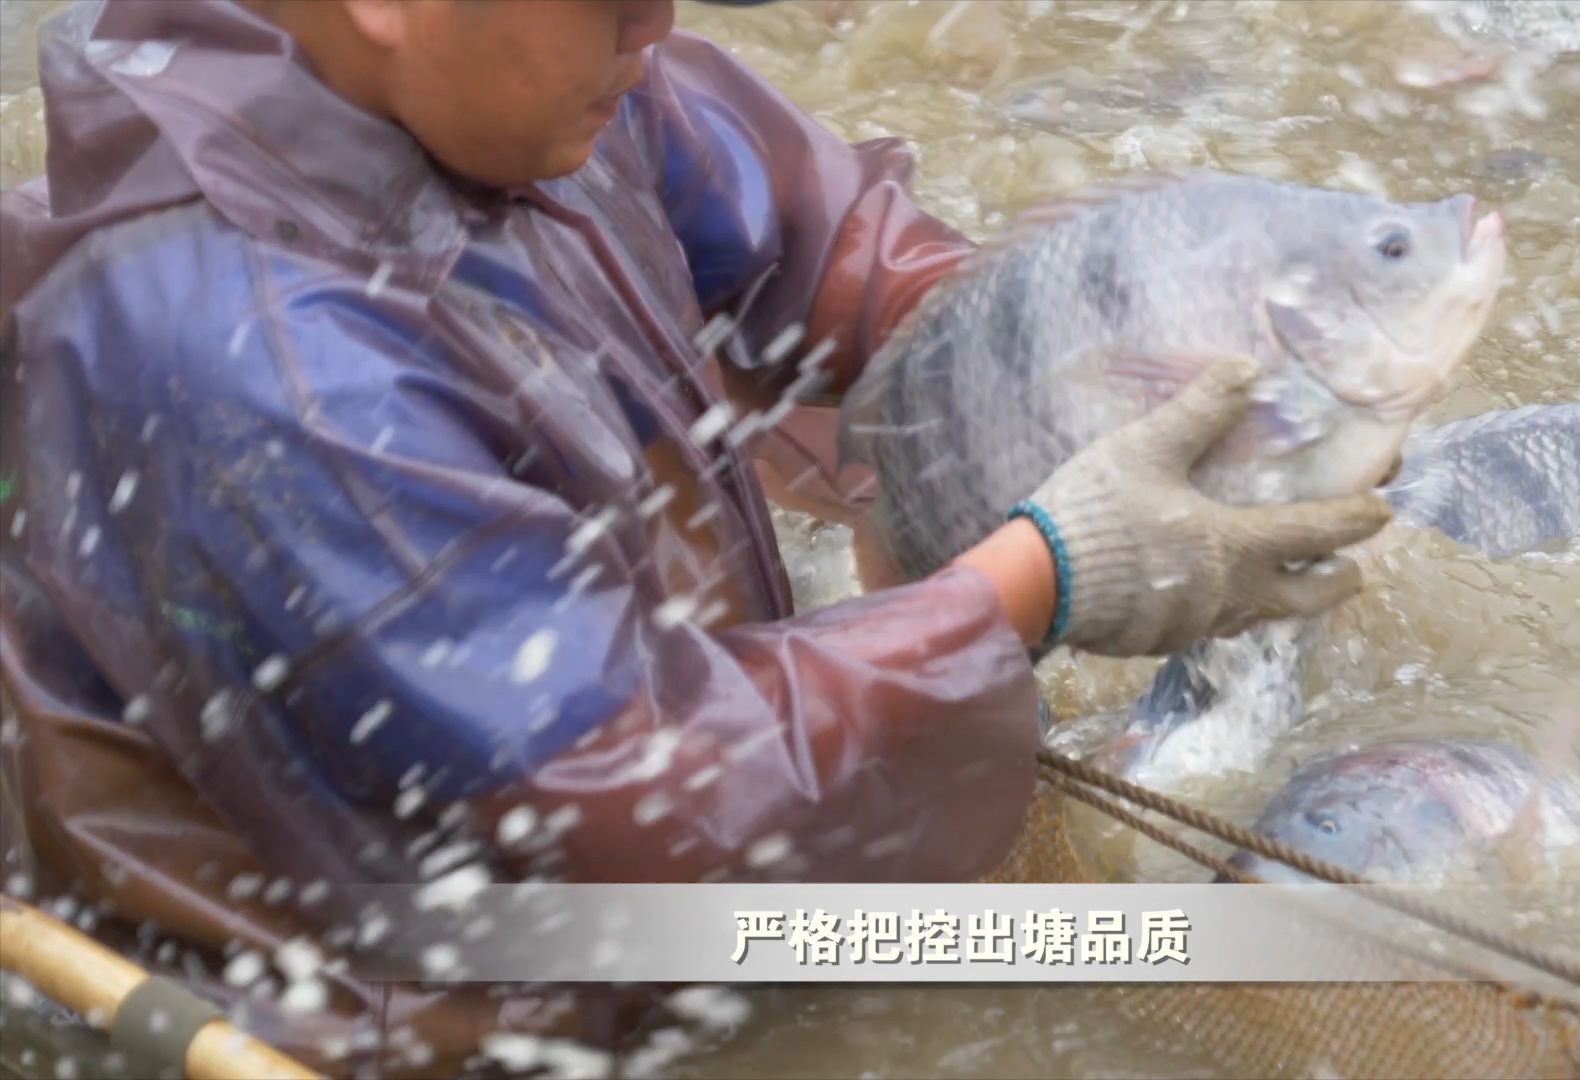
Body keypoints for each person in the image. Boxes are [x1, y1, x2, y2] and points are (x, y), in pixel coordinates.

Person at [0, 0, 1392, 1073]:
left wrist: (1061, 356)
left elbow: (832, 243)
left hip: (652, 865)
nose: (659, 27)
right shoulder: (255, 358)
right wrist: (1036, 577)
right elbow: (628, 796)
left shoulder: (507, 83)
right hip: (411, 1011)